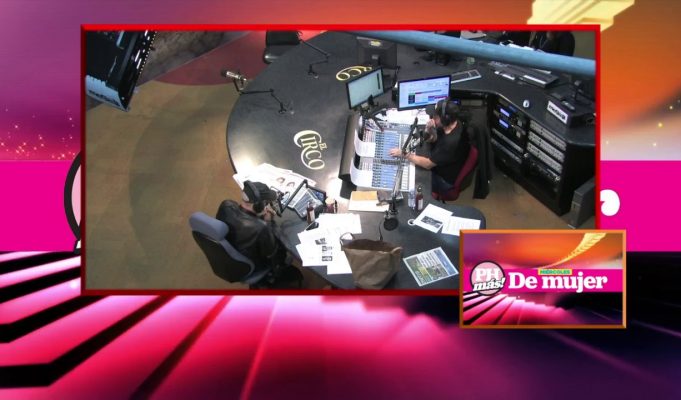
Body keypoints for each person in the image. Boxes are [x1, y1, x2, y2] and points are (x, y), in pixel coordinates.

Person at [389, 99, 471, 196]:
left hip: (444, 180)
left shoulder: (450, 143)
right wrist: (428, 129)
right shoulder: (452, 123)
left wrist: (405, 155)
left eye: (436, 116)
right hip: (441, 160)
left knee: (411, 179)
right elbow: (433, 140)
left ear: (444, 120)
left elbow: (428, 164)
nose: (433, 117)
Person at [215, 180, 289, 274]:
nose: (267, 205)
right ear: (258, 205)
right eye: (266, 203)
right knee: (281, 249)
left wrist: (259, 217)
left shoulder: (226, 205)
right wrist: (269, 222)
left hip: (231, 252)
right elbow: (271, 253)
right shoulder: (261, 227)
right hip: (253, 263)